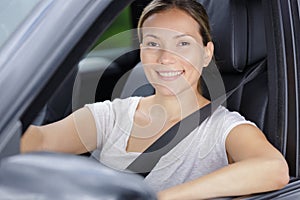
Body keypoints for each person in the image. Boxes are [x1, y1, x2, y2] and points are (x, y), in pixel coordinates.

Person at [21, 0, 289, 199]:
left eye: (183, 43)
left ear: (206, 54)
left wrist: (159, 197)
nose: (165, 58)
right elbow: (40, 140)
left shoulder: (223, 128)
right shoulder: (112, 115)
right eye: (152, 43)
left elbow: (273, 169)